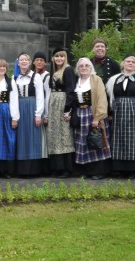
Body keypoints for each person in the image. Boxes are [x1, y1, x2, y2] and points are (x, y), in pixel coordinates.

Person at [106, 54, 135, 177]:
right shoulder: (114, 79)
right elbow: (110, 98)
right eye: (128, 61)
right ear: (123, 63)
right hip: (118, 114)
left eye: (133, 62)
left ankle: (133, 170)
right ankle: (120, 169)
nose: (130, 63)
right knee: (119, 140)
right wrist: (110, 114)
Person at [73, 58, 111, 179]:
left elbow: (101, 98)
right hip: (80, 115)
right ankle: (85, 170)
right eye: (81, 66)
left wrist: (97, 117)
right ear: (78, 68)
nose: (84, 67)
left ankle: (98, 171)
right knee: (82, 143)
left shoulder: (96, 80)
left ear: (91, 67)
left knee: (96, 141)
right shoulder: (76, 80)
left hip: (92, 113)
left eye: (87, 65)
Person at [46, 49, 76, 178]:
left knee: (64, 135)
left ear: (65, 58)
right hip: (53, 104)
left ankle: (66, 168)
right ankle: (56, 167)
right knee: (54, 135)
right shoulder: (54, 71)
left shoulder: (68, 70)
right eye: (57, 56)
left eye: (62, 56)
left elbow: (70, 90)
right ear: (53, 58)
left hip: (62, 103)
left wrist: (67, 109)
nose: (59, 58)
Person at [15, 52, 45, 176]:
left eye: (26, 59)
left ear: (29, 62)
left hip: (32, 107)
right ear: (18, 62)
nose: (24, 62)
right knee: (22, 137)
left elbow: (40, 96)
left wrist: (38, 114)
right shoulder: (15, 77)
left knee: (33, 137)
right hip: (20, 108)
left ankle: (33, 170)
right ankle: (22, 170)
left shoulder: (36, 76)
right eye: (21, 60)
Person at [0, 59, 19, 178]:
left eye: (4, 67)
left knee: (7, 140)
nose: (2, 69)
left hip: (6, 110)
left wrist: (14, 118)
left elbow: (14, 100)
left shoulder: (10, 81)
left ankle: (7, 170)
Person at [33, 51, 50, 160]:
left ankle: (42, 160)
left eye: (42, 60)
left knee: (42, 136)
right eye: (37, 60)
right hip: (31, 107)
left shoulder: (46, 76)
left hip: (42, 108)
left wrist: (46, 115)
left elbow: (47, 95)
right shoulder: (31, 74)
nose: (39, 62)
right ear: (33, 62)